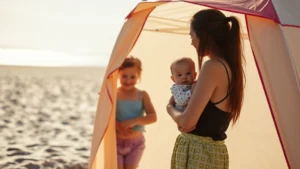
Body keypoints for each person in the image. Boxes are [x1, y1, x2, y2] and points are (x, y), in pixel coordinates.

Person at [166, 9, 245, 169]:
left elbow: (187, 121)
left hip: (199, 153)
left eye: (191, 36)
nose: (191, 42)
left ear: (203, 36)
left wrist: (169, 108)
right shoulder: (230, 66)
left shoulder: (212, 67)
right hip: (213, 152)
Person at [116, 56, 157, 169]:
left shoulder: (142, 95)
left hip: (136, 143)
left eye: (133, 77)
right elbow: (106, 118)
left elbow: (153, 117)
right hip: (116, 143)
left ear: (139, 76)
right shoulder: (114, 94)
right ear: (118, 74)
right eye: (124, 76)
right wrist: (118, 126)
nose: (128, 80)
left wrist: (135, 121)